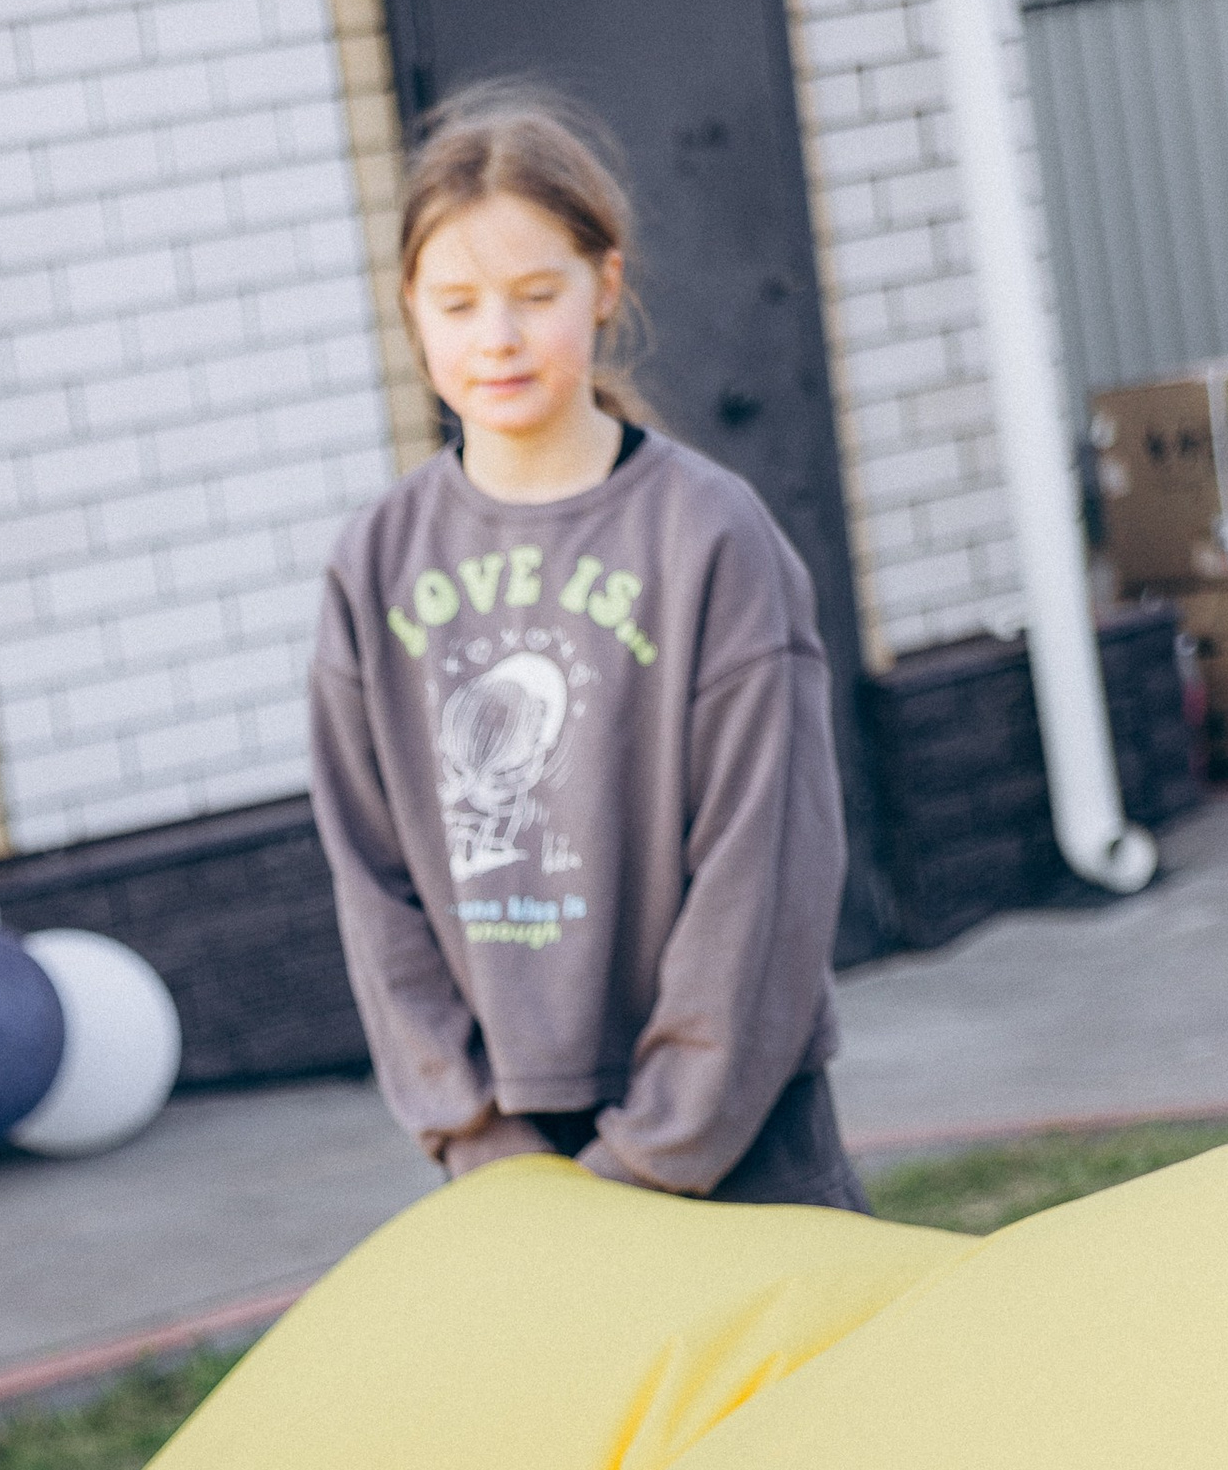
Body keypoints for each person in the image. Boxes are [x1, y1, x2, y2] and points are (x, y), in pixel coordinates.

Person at [309, 86, 868, 1213]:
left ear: (604, 286)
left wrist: (650, 1157)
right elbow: (371, 885)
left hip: (734, 1147)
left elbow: (764, 875)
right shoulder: (375, 561)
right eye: (457, 303)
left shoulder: (710, 538)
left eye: (534, 295)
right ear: (411, 311)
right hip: (510, 1162)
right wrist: (476, 1136)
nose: (497, 338)